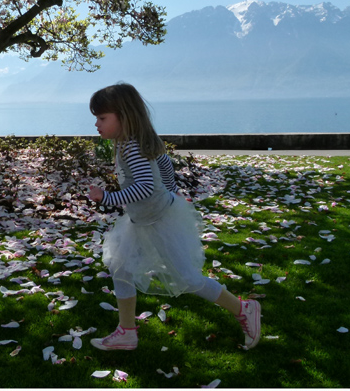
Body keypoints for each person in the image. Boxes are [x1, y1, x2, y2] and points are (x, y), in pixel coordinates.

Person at [87, 83, 261, 351]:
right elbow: (165, 167)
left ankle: (244, 309)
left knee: (188, 280)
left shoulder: (133, 147)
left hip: (159, 222)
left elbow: (145, 187)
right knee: (120, 267)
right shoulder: (131, 143)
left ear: (124, 115)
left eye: (102, 118)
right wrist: (169, 192)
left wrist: (106, 198)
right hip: (144, 219)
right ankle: (127, 332)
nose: (96, 124)